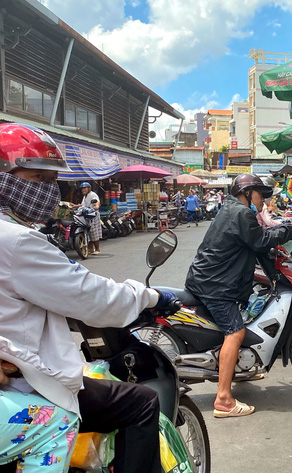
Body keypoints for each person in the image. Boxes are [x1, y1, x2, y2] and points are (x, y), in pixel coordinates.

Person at [0, 122, 175, 473]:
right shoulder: (17, 241)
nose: (47, 192)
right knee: (141, 402)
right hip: (25, 381)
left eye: (53, 183)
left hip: (16, 371)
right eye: (37, 180)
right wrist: (151, 296)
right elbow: (92, 296)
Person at [185, 174, 292, 418]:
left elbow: (255, 243)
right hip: (216, 286)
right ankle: (223, 399)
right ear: (248, 192)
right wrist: (290, 229)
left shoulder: (231, 210)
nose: (263, 201)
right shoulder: (242, 213)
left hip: (209, 280)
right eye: (261, 195)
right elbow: (260, 240)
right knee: (235, 331)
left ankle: (238, 371)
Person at [71, 182, 103, 255]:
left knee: (93, 233)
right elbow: (83, 205)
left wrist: (96, 207)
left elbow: (97, 202)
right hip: (86, 216)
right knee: (87, 233)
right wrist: (75, 206)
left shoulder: (92, 195)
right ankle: (90, 249)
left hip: (93, 216)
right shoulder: (85, 196)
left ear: (89, 188)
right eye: (82, 188)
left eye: (85, 188)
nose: (83, 190)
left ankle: (97, 249)